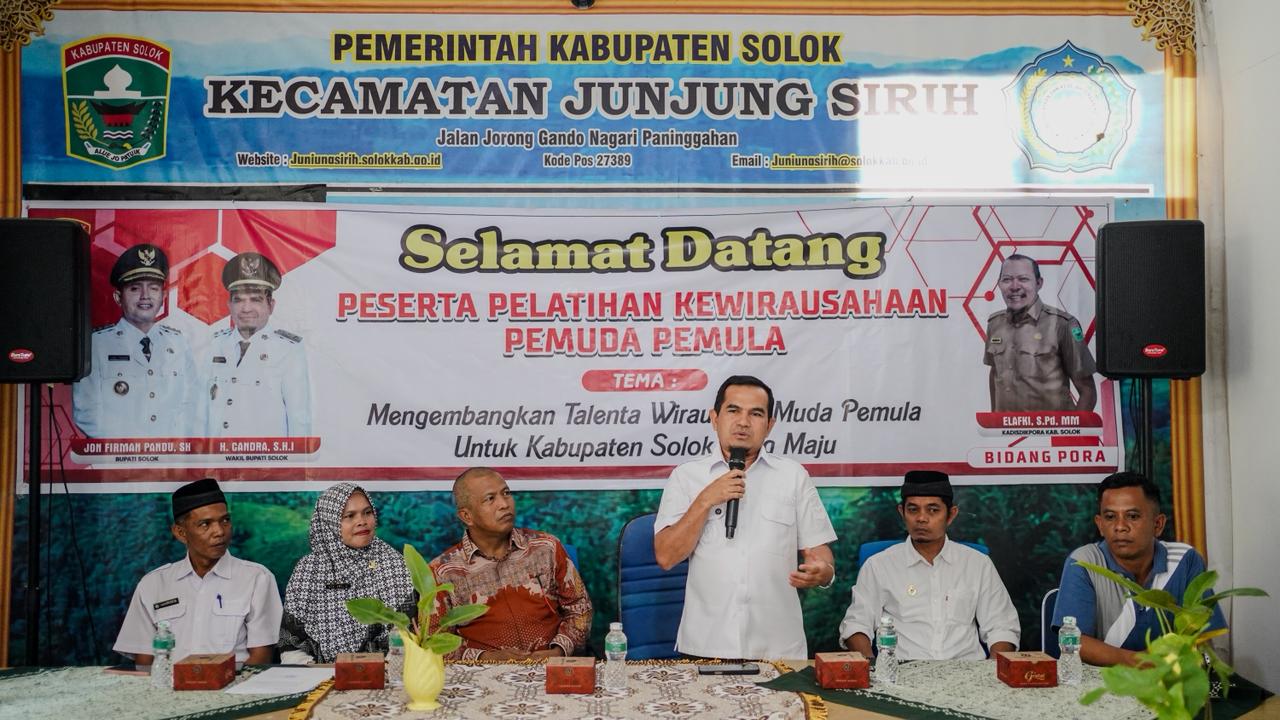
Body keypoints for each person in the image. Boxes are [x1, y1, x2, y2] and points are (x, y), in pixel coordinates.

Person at [654, 375, 837, 659]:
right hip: (706, 645)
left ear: (769, 425)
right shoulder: (686, 477)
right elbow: (666, 556)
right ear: (714, 418)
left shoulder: (792, 476)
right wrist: (705, 500)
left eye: (756, 414)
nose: (743, 422)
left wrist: (824, 572)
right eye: (733, 410)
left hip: (779, 649)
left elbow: (820, 553)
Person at [839, 470, 1020, 660]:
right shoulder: (879, 566)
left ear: (951, 515)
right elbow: (856, 625)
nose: (921, 518)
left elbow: (1002, 627)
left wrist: (994, 671)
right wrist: (872, 668)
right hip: (901, 672)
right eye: (913, 510)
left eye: (933, 510)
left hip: (967, 670)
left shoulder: (977, 564)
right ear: (902, 512)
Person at [1052, 471, 1226, 666]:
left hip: (1170, 678)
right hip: (1103, 680)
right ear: (1100, 525)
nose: (1120, 526)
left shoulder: (1186, 560)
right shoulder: (1084, 562)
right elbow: (1072, 641)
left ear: (1158, 524)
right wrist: (1140, 662)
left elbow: (1202, 637)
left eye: (1132, 516)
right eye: (1110, 517)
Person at [113, 478, 282, 666]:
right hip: (169, 684)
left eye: (225, 520)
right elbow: (144, 662)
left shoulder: (257, 579)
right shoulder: (152, 585)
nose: (219, 531)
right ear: (180, 533)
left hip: (234, 683)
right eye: (205, 524)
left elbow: (261, 659)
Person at [429, 467, 592, 660]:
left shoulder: (546, 547)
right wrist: (485, 658)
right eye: (490, 499)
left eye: (506, 493)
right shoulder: (443, 572)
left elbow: (580, 609)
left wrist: (558, 651)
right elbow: (434, 642)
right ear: (467, 516)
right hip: (483, 673)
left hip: (552, 666)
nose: (504, 504)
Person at [279, 483, 415, 663]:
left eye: (367, 512)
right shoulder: (308, 570)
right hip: (319, 675)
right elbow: (291, 647)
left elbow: (408, 638)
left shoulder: (393, 564)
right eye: (350, 516)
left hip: (386, 672)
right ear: (329, 522)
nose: (362, 521)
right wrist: (319, 674)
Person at [73, 243, 199, 437]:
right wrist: (133, 448)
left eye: (154, 288)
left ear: (164, 296)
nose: (145, 296)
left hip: (169, 453)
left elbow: (192, 405)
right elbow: (87, 412)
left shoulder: (178, 343)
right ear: (118, 297)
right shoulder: (96, 345)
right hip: (117, 453)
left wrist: (165, 446)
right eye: (134, 288)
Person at [206, 251, 312, 436]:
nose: (246, 308)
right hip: (217, 453)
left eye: (255, 299)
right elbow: (201, 414)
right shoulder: (214, 344)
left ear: (271, 305)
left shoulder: (288, 350)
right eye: (239, 300)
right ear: (229, 306)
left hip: (264, 454)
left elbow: (299, 420)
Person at [984, 254, 1097, 412]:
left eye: (1023, 279)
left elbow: (1087, 391)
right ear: (999, 284)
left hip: (1052, 427)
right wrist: (994, 420)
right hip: (1007, 428)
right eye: (1007, 279)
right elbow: (995, 375)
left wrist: (1072, 427)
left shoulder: (1063, 324)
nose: (1014, 286)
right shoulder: (995, 324)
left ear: (1039, 283)